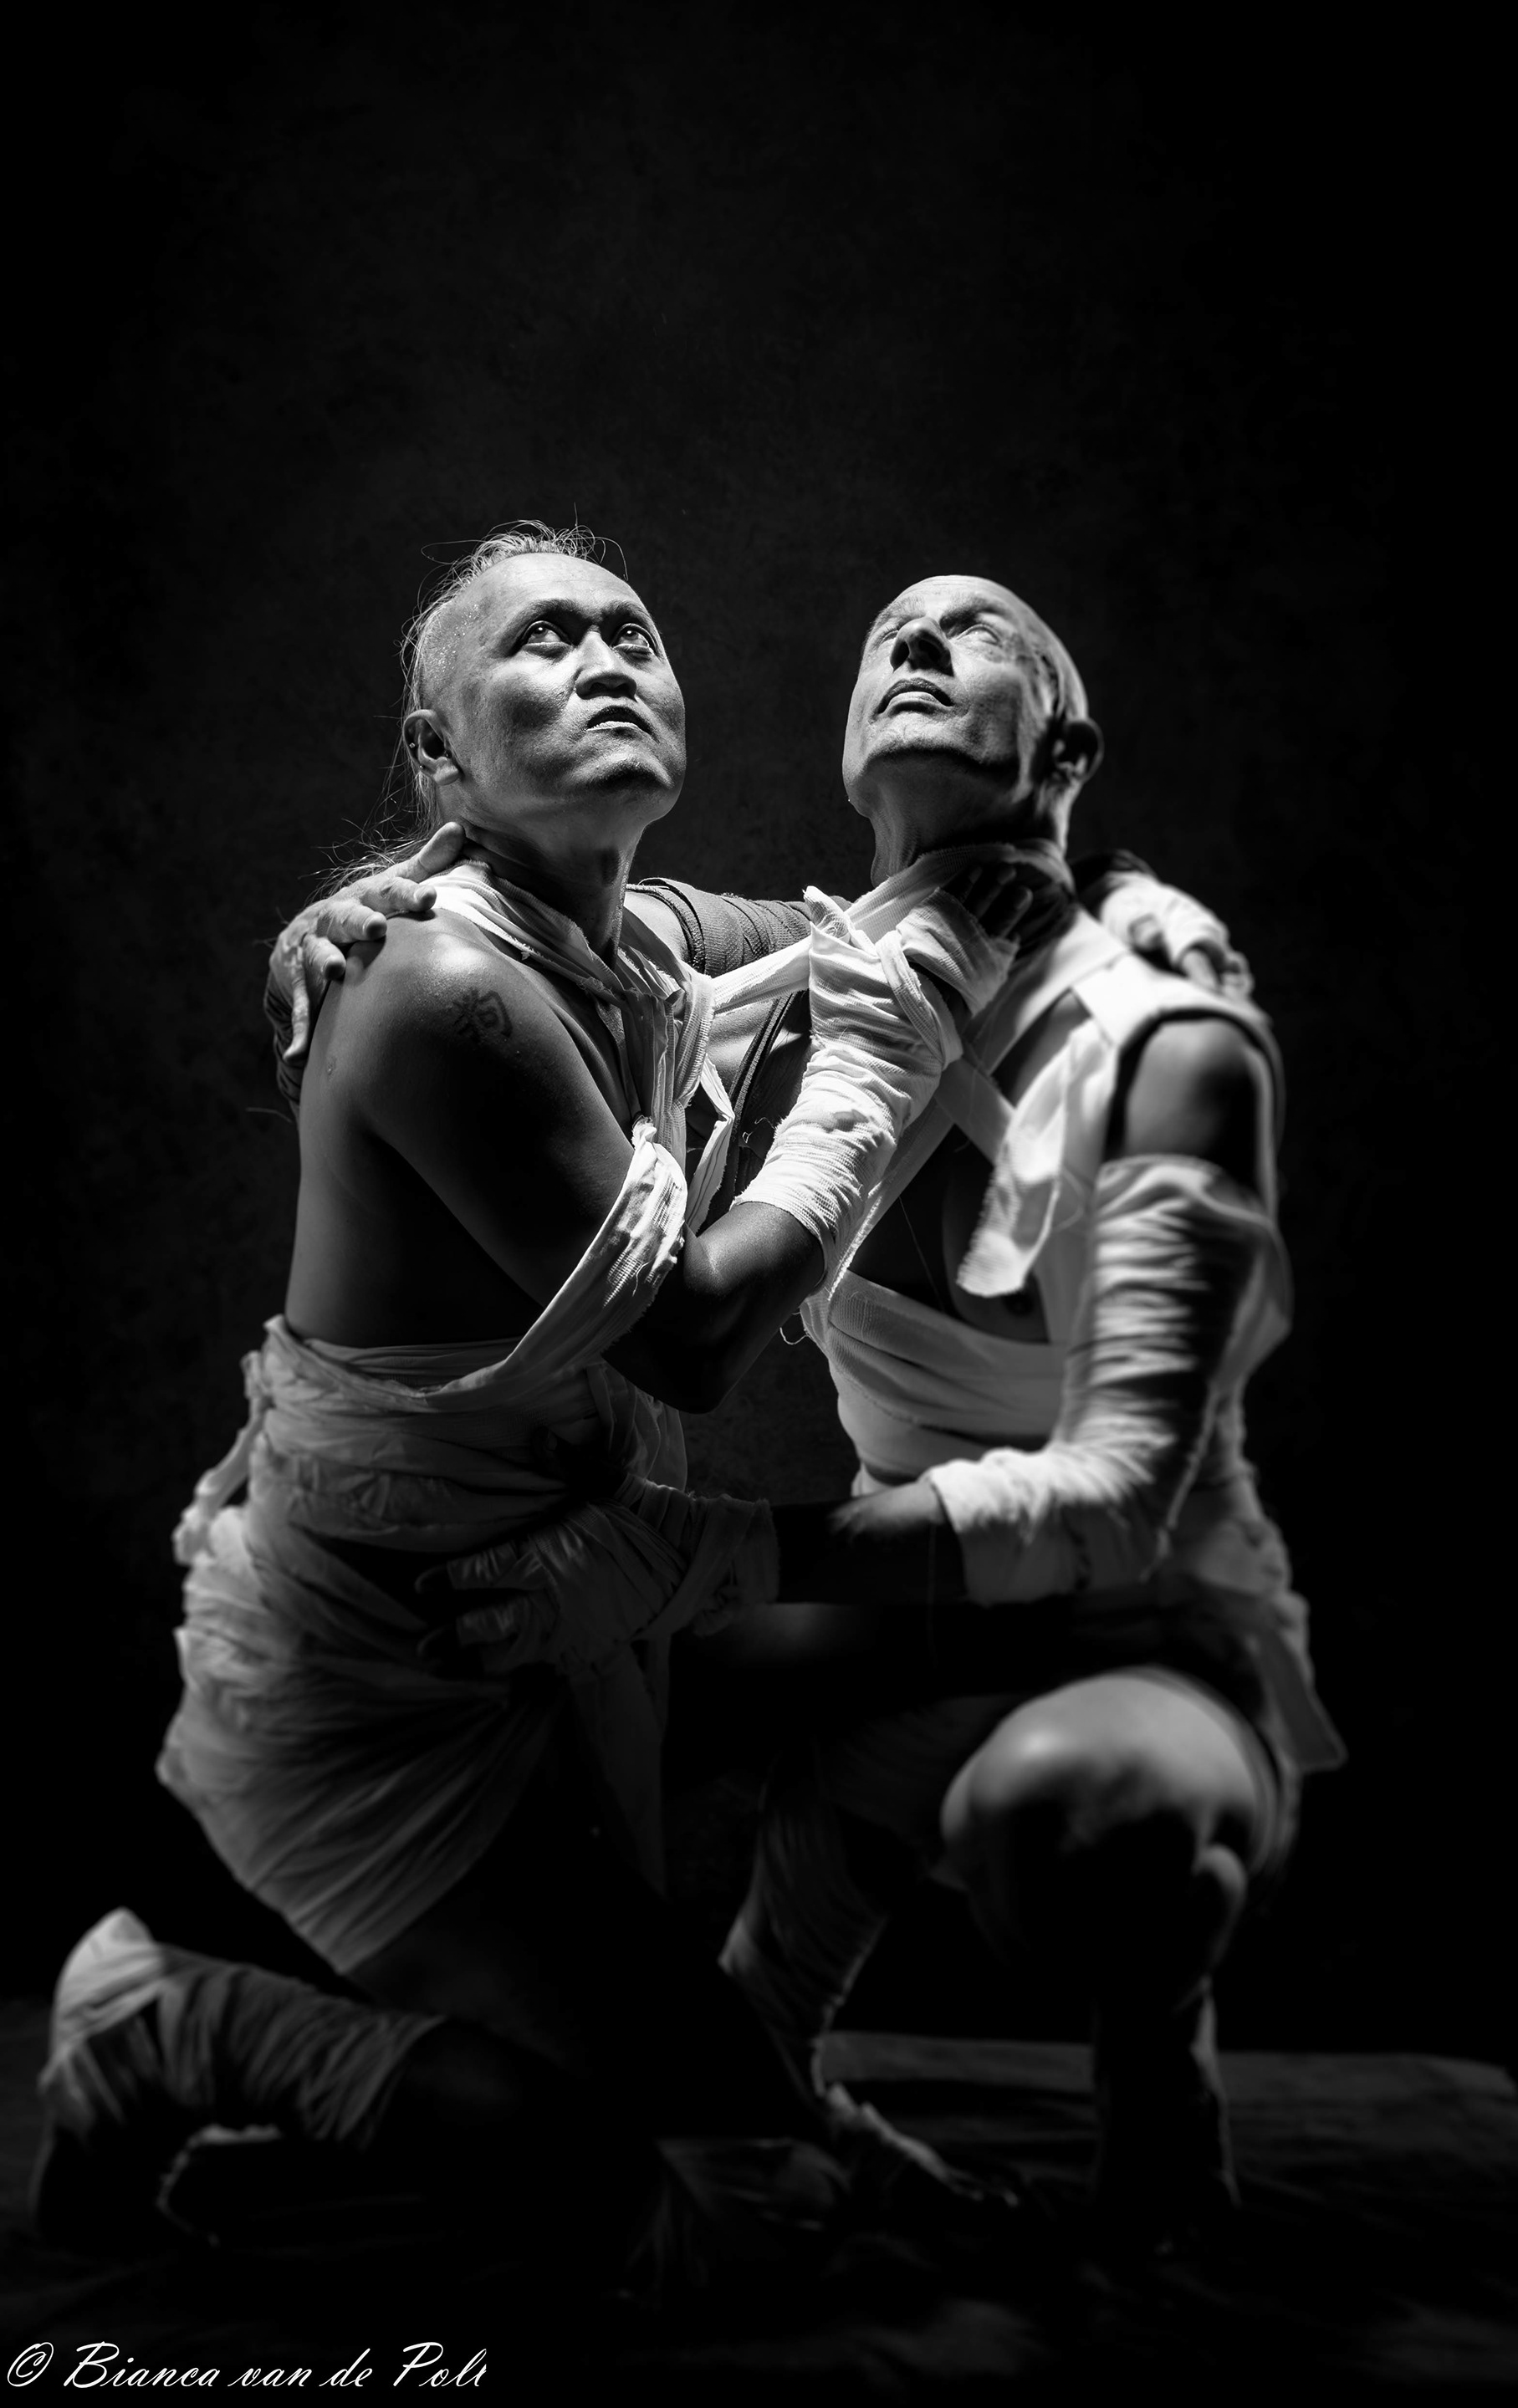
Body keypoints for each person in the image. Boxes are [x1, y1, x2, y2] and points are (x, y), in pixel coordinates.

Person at [34, 526, 1039, 2283]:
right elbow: (695, 1342)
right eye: (544, 640)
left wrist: (996, 847)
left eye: (630, 632)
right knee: (723, 2215)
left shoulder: (644, 939)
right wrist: (881, 1067)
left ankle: (745, 2053)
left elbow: (868, 932)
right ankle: (162, 2021)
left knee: (976, 1617)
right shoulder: (443, 989)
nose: (602, 660)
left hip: (557, 1597)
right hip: (392, 1678)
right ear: (441, 756)